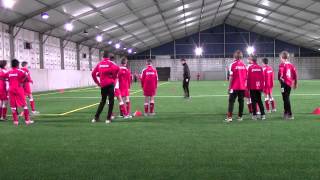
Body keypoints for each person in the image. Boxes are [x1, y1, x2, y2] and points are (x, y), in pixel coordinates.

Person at [91, 51, 119, 124]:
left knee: (102, 101)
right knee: (111, 101)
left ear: (102, 56)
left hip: (103, 85)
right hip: (110, 84)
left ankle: (96, 117)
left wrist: (97, 83)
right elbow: (118, 69)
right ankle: (108, 119)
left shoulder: (99, 64)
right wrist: (113, 76)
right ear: (109, 56)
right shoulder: (111, 63)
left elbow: (93, 74)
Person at [5, 59, 32, 126]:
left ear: (11, 65)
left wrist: (9, 80)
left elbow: (3, 77)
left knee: (13, 106)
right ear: (18, 65)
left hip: (11, 90)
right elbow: (27, 77)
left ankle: (15, 121)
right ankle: (27, 120)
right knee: (24, 105)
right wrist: (22, 81)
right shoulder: (20, 71)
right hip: (18, 89)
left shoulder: (9, 72)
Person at [225, 50, 247, 122]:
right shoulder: (244, 65)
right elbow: (245, 77)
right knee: (241, 101)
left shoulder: (232, 64)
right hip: (242, 87)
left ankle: (229, 117)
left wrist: (229, 87)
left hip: (234, 87)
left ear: (234, 56)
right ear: (241, 57)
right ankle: (240, 117)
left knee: (231, 101)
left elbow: (231, 77)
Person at [278, 51, 298, 120]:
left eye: (280, 57)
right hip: (289, 84)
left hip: (284, 84)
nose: (280, 58)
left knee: (285, 98)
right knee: (286, 98)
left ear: (283, 57)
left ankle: (289, 114)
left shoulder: (282, 65)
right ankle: (286, 112)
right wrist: (295, 83)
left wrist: (280, 80)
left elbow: (280, 74)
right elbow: (295, 75)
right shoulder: (291, 65)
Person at [247, 55, 266, 120]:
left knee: (253, 101)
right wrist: (262, 88)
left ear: (252, 60)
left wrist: (248, 87)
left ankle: (254, 115)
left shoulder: (250, 68)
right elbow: (263, 78)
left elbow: (248, 78)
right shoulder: (260, 68)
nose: (249, 61)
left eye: (249, 60)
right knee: (259, 100)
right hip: (259, 87)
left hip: (252, 87)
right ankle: (263, 115)